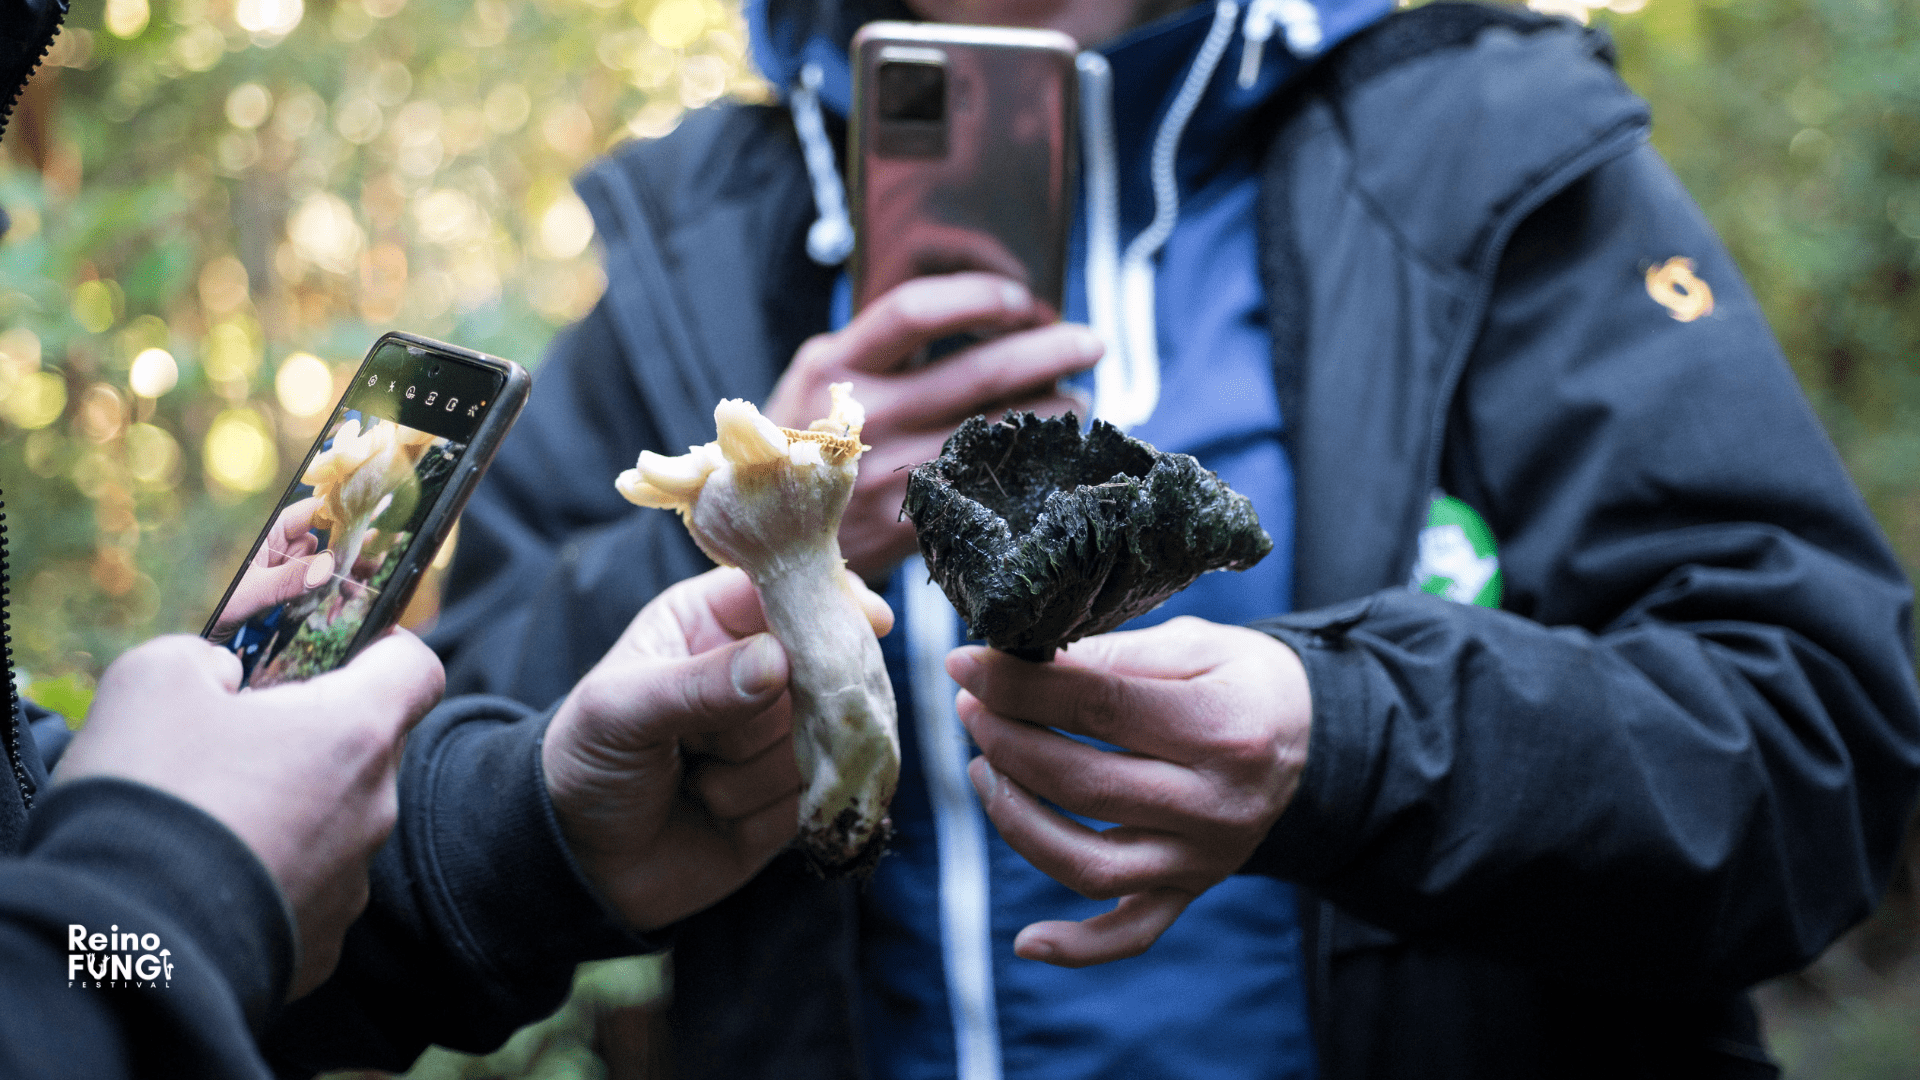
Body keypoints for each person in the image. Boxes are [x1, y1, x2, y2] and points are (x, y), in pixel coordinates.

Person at [429, 1, 1920, 1079]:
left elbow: (1818, 744)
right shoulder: (697, 241)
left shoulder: (1486, 147)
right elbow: (434, 794)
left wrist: (1354, 740)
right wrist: (736, 549)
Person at [5, 9, 889, 1074]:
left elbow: (77, 949)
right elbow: (101, 958)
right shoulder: (684, 240)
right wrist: (173, 891)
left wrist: (526, 834)